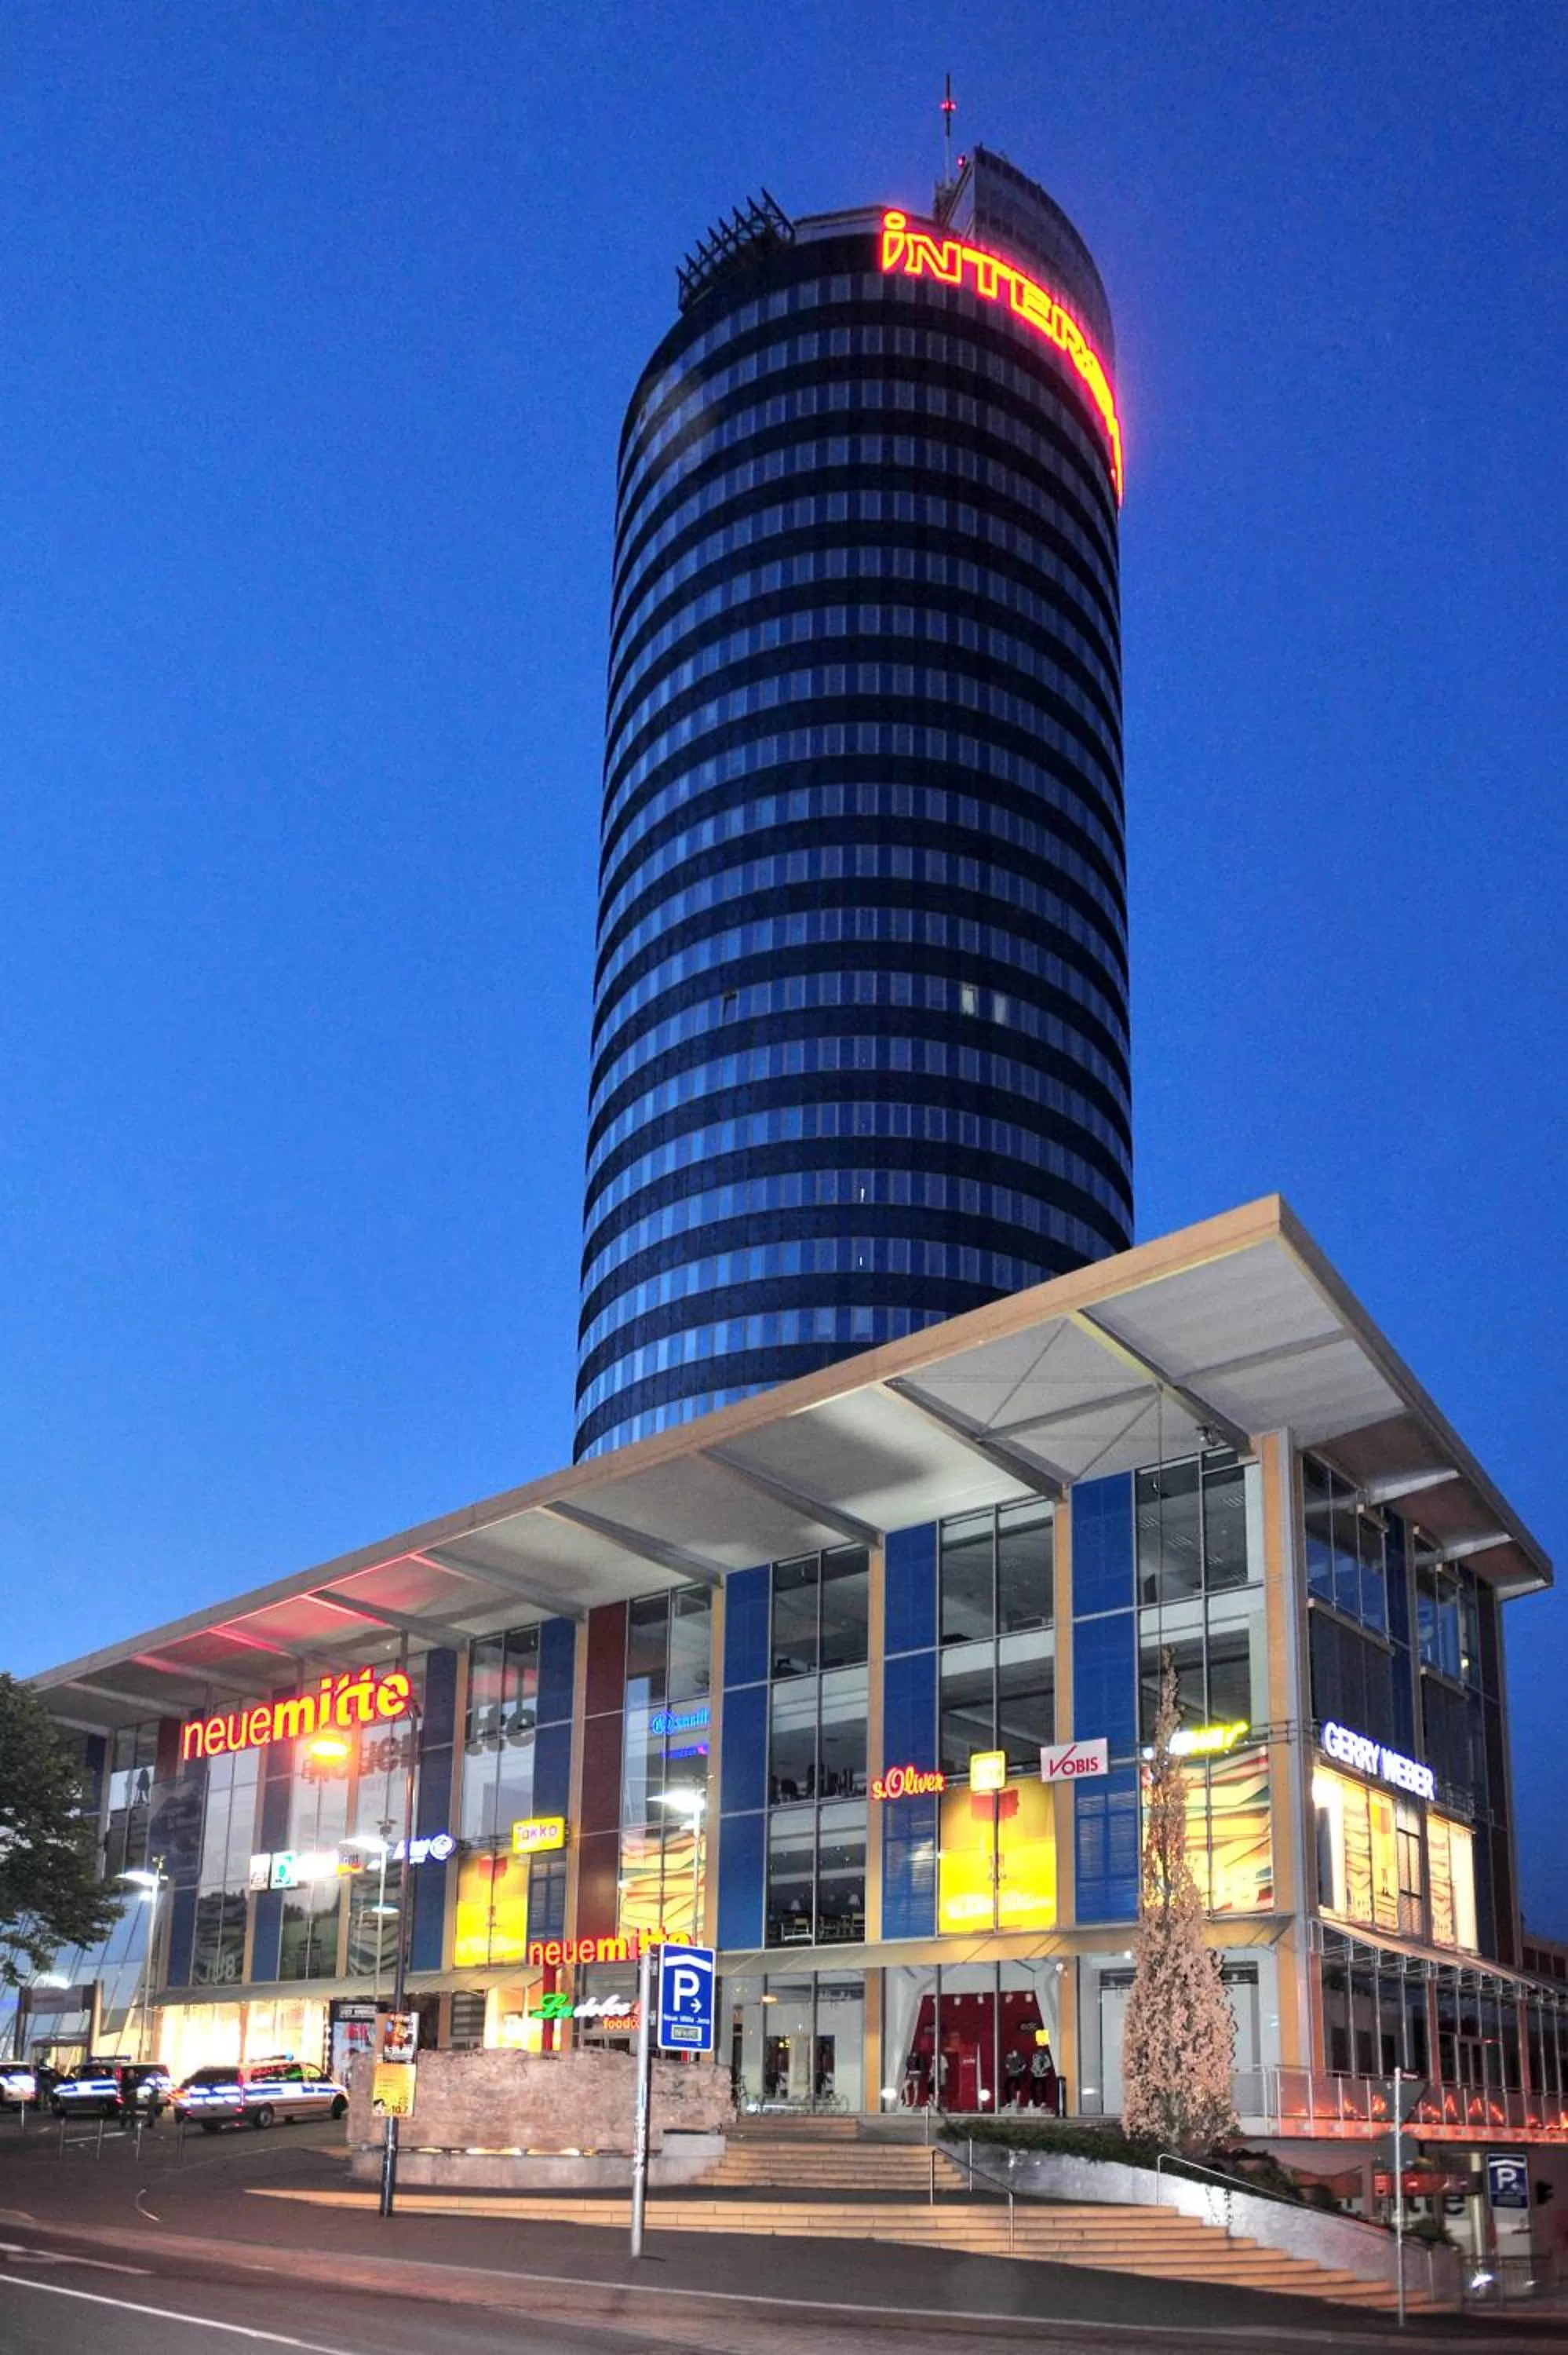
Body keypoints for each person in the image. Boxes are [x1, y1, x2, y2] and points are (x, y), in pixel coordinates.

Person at [1030, 2038, 1059, 2113]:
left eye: (1041, 2050)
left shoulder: (1045, 2056)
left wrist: (1043, 2069)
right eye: (1039, 2050)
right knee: (1033, 2087)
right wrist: (1033, 2070)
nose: (1040, 2051)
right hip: (1036, 2074)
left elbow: (1048, 2064)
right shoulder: (1035, 2056)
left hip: (1043, 2075)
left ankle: (1043, 2102)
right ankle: (1034, 2101)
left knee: (1043, 2088)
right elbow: (1033, 2064)